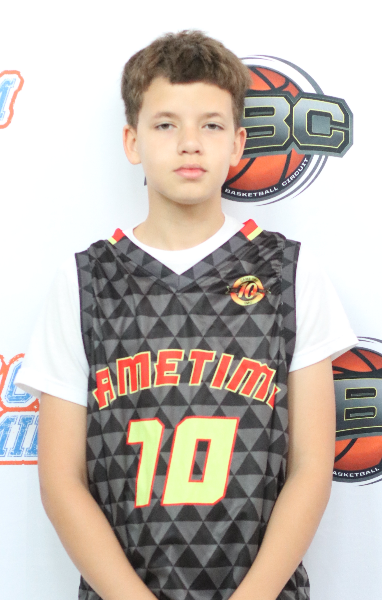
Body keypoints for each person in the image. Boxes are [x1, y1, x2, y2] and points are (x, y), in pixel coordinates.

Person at [16, 30, 357, 600]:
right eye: (166, 124)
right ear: (132, 141)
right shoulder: (85, 281)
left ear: (239, 143)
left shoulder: (290, 273)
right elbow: (60, 481)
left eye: (212, 125)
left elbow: (312, 467)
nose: (190, 143)